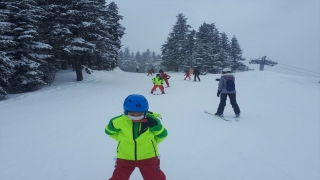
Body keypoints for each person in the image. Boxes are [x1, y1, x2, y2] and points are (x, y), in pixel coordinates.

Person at [105, 94, 168, 180]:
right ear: (126, 111)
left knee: (155, 177)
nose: (136, 117)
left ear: (145, 112)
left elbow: (162, 134)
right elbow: (109, 132)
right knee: (119, 177)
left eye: (140, 114)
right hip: (125, 156)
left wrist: (151, 143)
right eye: (132, 114)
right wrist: (122, 139)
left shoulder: (152, 121)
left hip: (148, 156)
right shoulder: (117, 121)